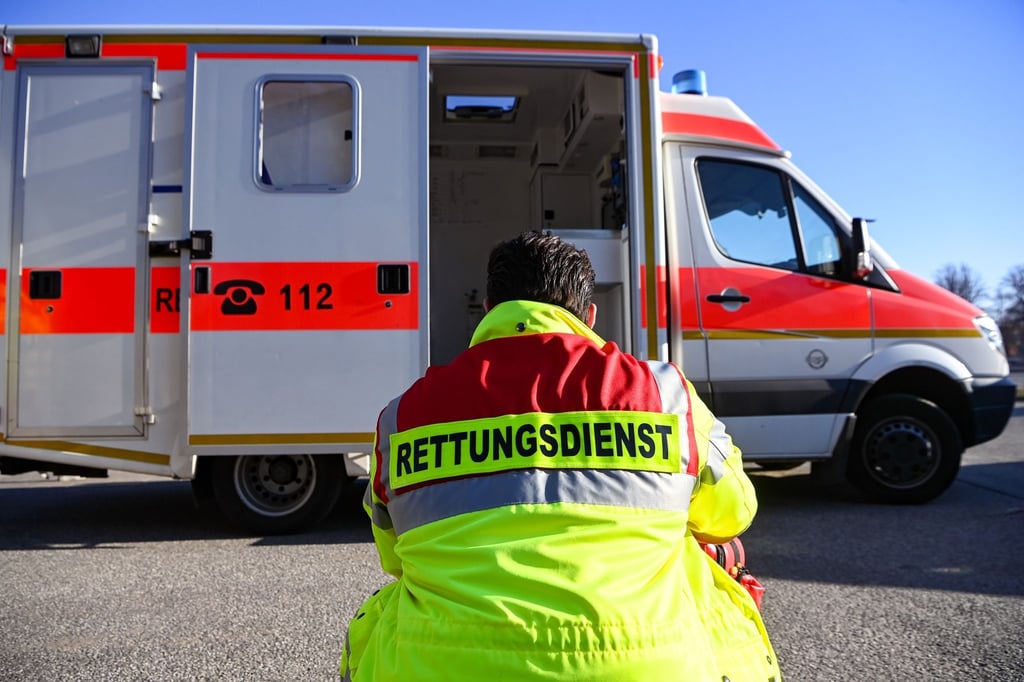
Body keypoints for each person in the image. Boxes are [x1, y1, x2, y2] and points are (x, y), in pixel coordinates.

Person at [340, 231, 780, 681]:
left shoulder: (404, 415)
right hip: (642, 664)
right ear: (589, 315)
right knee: (708, 548)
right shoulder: (664, 394)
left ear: (489, 311)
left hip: (438, 666)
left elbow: (395, 558)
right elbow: (733, 514)